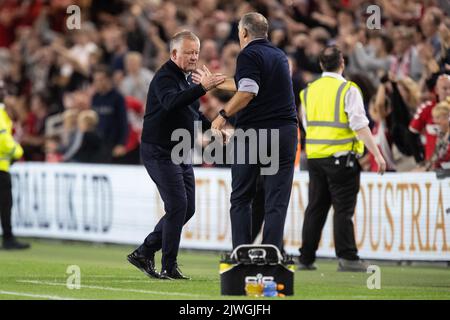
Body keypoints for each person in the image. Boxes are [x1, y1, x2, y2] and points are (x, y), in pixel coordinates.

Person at [127, 31, 225, 280]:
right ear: (173, 54)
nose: (194, 57)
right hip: (158, 151)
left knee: (187, 207)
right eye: (189, 52)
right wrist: (203, 87)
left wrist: (213, 127)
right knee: (178, 205)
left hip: (178, 151)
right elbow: (172, 103)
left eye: (196, 52)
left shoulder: (186, 79)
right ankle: (168, 265)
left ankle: (144, 252)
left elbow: (192, 111)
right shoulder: (165, 77)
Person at [208, 12, 298, 251]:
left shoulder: (248, 54)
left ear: (244, 33)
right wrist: (217, 83)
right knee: (276, 201)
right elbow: (248, 83)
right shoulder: (279, 55)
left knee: (241, 198)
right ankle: (272, 254)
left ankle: (241, 254)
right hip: (286, 133)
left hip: (255, 134)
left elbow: (248, 91)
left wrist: (222, 116)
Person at [297, 46, 386, 272]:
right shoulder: (348, 89)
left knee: (315, 208)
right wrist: (376, 154)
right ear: (342, 63)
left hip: (315, 158)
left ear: (320, 65)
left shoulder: (308, 91)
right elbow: (359, 125)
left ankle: (306, 258)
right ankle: (347, 257)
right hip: (341, 158)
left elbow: (306, 124)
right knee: (343, 210)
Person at [0, 81, 29, 250]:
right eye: (1, 90)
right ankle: (8, 239)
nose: (4, 92)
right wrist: (18, 151)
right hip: (1, 168)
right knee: (5, 206)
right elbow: (3, 140)